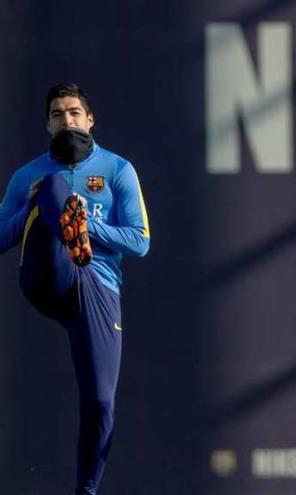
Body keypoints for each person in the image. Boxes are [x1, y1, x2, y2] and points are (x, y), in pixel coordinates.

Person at [0, 83, 150, 494]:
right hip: (48, 273)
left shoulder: (118, 169)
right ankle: (61, 219)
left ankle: (86, 490)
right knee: (52, 189)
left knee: (101, 402)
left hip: (97, 285)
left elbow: (140, 241)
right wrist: (32, 207)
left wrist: (88, 225)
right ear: (47, 125)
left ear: (89, 120)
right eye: (57, 115)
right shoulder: (29, 175)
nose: (66, 120)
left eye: (73, 113)